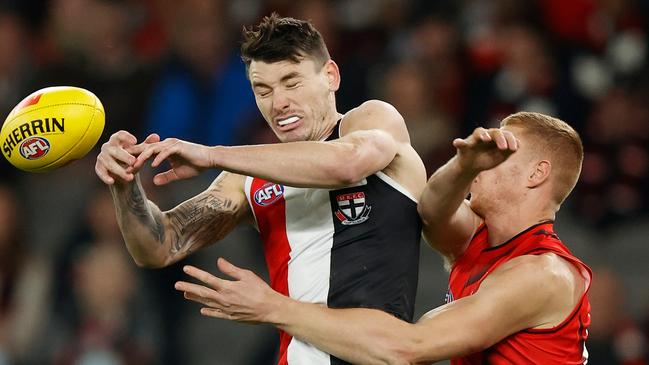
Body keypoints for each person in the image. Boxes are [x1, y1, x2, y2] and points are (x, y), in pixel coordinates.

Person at [95, 13, 426, 365]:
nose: (278, 102)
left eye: (291, 82)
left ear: (330, 76)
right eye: (262, 90)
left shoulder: (372, 120)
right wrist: (125, 183)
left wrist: (211, 153)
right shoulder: (249, 178)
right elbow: (159, 245)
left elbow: (347, 165)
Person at [175, 111, 592, 364]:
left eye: (503, 156)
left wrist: (273, 307)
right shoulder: (481, 240)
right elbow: (430, 211)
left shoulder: (542, 273)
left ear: (537, 175)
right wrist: (465, 166)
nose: (487, 163)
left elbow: (408, 348)